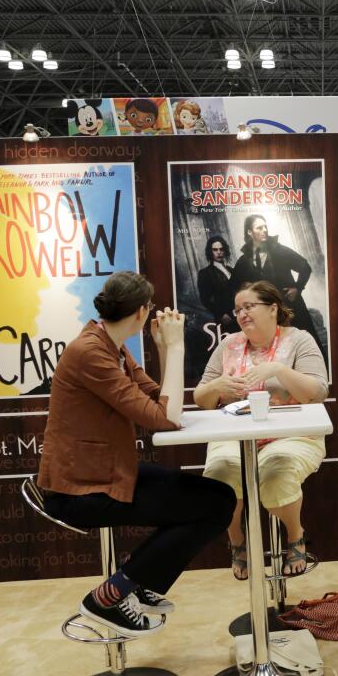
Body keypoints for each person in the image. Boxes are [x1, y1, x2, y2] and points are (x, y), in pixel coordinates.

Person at [37, 272, 236, 636]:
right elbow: (164, 419)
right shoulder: (89, 353)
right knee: (211, 506)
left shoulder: (109, 344)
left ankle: (139, 583)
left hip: (108, 472)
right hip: (80, 490)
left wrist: (163, 348)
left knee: (221, 496)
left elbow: (158, 399)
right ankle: (111, 595)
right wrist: (177, 348)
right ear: (143, 312)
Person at [195, 281, 328, 580]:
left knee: (275, 472)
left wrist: (278, 370)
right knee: (220, 474)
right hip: (235, 435)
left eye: (248, 306)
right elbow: (202, 400)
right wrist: (216, 386)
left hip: (293, 434)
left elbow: (317, 392)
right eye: (237, 309)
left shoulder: (299, 341)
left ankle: (295, 535)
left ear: (273, 309)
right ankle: (237, 542)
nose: (241, 314)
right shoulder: (227, 345)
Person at [229, 214, 326, 357]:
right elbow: (233, 285)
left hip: (291, 307)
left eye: (265, 227)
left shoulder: (279, 251)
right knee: (278, 350)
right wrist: (245, 288)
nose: (265, 230)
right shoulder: (245, 260)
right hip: (266, 313)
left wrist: (297, 288)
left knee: (305, 345)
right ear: (250, 232)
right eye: (259, 227)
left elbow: (305, 267)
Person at [197, 235, 235, 325]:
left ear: (225, 251)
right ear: (210, 252)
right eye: (215, 250)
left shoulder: (231, 270)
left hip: (237, 314)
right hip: (224, 319)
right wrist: (221, 315)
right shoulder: (205, 273)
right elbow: (205, 299)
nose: (219, 252)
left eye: (221, 249)